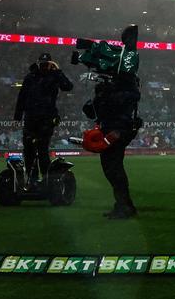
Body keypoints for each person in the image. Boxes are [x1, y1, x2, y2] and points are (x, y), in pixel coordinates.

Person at [83, 65, 142, 218]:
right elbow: (94, 112)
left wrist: (107, 93)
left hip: (117, 131)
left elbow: (129, 98)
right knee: (111, 169)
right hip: (109, 129)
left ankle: (124, 206)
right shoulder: (107, 93)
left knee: (114, 169)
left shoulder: (124, 91)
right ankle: (124, 205)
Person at [14, 51, 73, 188]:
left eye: (46, 64)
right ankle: (32, 180)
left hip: (46, 119)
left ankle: (46, 181)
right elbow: (22, 97)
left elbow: (68, 87)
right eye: (43, 64)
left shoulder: (54, 76)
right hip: (32, 118)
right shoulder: (30, 77)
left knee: (42, 150)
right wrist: (18, 116)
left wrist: (58, 72)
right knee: (29, 150)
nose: (44, 66)